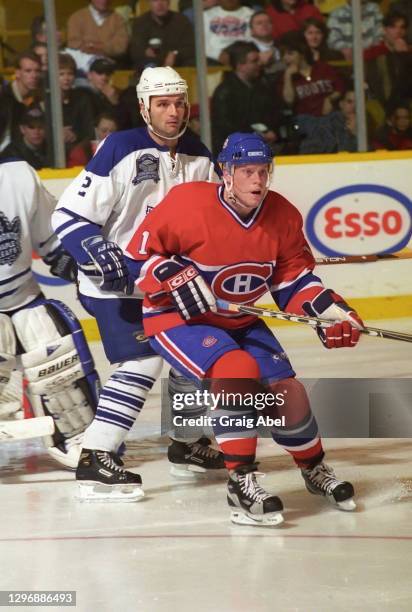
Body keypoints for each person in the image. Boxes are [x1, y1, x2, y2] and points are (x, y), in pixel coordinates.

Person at [126, 132, 362, 526]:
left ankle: (313, 467)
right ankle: (241, 481)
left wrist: (330, 312)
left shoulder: (282, 214)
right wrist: (171, 273)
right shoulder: (187, 204)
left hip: (239, 318)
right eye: (247, 171)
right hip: (176, 318)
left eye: (263, 171)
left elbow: (292, 280)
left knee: (289, 393)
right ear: (226, 172)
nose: (257, 180)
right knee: (237, 371)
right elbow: (138, 259)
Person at [52, 67, 224, 502]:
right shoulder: (121, 147)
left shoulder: (199, 155)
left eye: (178, 102)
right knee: (143, 363)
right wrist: (93, 245)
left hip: (165, 282)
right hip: (112, 285)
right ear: (144, 107)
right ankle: (95, 454)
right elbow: (68, 216)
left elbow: (206, 226)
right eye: (162, 104)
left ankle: (187, 444)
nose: (173, 111)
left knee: (195, 353)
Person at [0, 155, 100, 470]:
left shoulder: (18, 175)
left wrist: (92, 276)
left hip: (24, 299)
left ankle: (77, 433)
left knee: (46, 334)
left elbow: (56, 242)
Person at [211, 41, 282, 155]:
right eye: (254, 61)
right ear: (240, 65)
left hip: (264, 144)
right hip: (234, 150)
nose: (260, 64)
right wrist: (253, 135)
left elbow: (275, 113)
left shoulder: (264, 87)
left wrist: (272, 131)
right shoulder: (225, 91)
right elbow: (224, 126)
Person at [130, 0, 195, 70]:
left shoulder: (181, 21)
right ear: (149, 3)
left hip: (178, 67)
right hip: (150, 68)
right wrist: (145, 52)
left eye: (164, 0)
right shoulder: (140, 23)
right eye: (155, 1)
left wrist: (175, 54)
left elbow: (190, 47)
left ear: (169, 2)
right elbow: (134, 50)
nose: (160, 4)